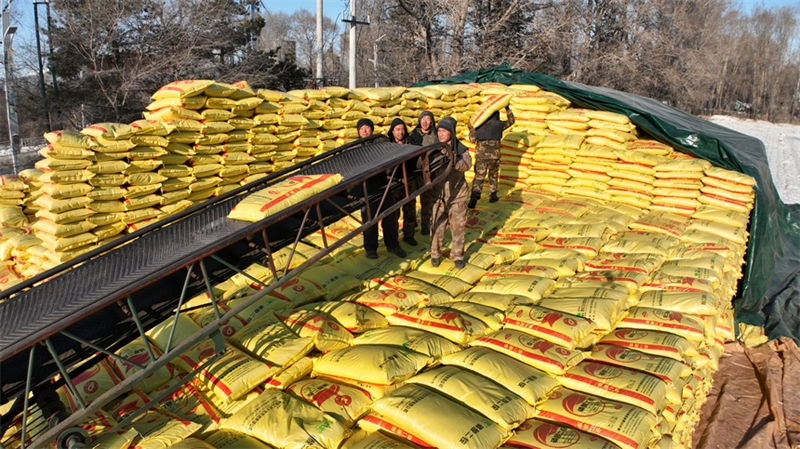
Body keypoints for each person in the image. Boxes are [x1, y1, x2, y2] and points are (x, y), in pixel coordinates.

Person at [354, 118, 406, 259]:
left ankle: (393, 245)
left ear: (372, 129)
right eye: (362, 128)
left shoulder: (380, 143)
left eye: (367, 128)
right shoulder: (353, 149)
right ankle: (371, 248)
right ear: (358, 131)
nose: (365, 131)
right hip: (366, 190)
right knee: (369, 220)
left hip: (384, 185)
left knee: (390, 217)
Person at [429, 116, 472, 269]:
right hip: (439, 195)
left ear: (451, 133)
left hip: (457, 195)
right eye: (439, 131)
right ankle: (435, 254)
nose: (440, 134)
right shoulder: (433, 149)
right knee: (437, 226)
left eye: (444, 131)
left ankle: (458, 255)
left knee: (458, 227)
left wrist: (453, 159)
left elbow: (467, 165)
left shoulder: (461, 149)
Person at [468, 106, 515, 208]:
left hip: (481, 156)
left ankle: (474, 198)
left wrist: (471, 127)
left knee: (479, 177)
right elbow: (511, 121)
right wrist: (508, 109)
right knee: (493, 176)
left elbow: (472, 139)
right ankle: (493, 195)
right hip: (495, 156)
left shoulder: (479, 126)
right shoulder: (499, 125)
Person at [387, 117, 418, 246]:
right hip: (394, 183)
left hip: (409, 180)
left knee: (410, 208)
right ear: (392, 132)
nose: (400, 132)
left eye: (402, 129)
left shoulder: (410, 144)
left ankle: (409, 235)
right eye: (397, 129)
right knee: (394, 213)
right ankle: (393, 240)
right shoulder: (387, 146)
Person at [408, 111, 437, 237]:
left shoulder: (435, 135)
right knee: (410, 202)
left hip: (428, 173)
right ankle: (411, 225)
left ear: (432, 121)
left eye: (428, 119)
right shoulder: (412, 134)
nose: (425, 122)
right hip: (413, 172)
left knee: (427, 200)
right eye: (423, 119)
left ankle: (425, 226)